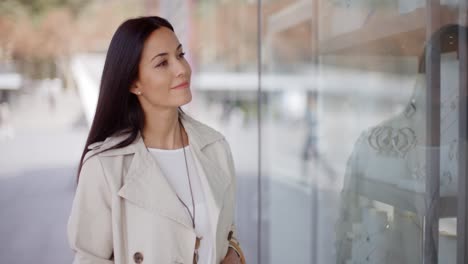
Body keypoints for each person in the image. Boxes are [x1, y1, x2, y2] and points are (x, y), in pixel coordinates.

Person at [67, 16, 245, 264]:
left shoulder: (215, 147)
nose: (181, 68)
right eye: (162, 63)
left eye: (180, 55)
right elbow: (90, 258)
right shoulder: (104, 166)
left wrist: (234, 254)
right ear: (134, 83)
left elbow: (227, 231)